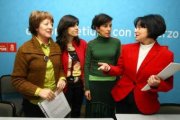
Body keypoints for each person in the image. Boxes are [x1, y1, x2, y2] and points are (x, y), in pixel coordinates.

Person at [98, 14, 174, 114]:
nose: (135, 30)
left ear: (153, 29)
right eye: (136, 27)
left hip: (145, 102)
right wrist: (109, 68)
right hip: (122, 97)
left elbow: (168, 85)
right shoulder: (127, 48)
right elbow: (120, 69)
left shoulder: (166, 55)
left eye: (141, 27)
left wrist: (157, 84)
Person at [11, 11, 66, 117]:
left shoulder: (56, 47)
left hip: (55, 101)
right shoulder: (24, 49)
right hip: (34, 105)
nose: (50, 27)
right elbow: (17, 80)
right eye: (46, 24)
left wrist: (62, 78)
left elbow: (60, 70)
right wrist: (39, 91)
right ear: (36, 27)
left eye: (51, 24)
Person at [84, 13, 121, 118]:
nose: (109, 29)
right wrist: (87, 88)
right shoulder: (91, 44)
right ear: (97, 28)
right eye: (105, 26)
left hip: (111, 85)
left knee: (109, 113)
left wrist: (118, 84)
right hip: (94, 85)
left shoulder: (116, 42)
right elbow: (86, 66)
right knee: (94, 114)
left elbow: (119, 66)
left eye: (110, 26)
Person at [56, 15, 87, 118]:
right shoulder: (57, 46)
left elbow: (86, 65)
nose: (77, 28)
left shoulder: (82, 44)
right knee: (62, 114)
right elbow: (57, 68)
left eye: (77, 25)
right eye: (73, 25)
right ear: (65, 27)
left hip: (79, 85)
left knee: (76, 112)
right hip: (64, 86)